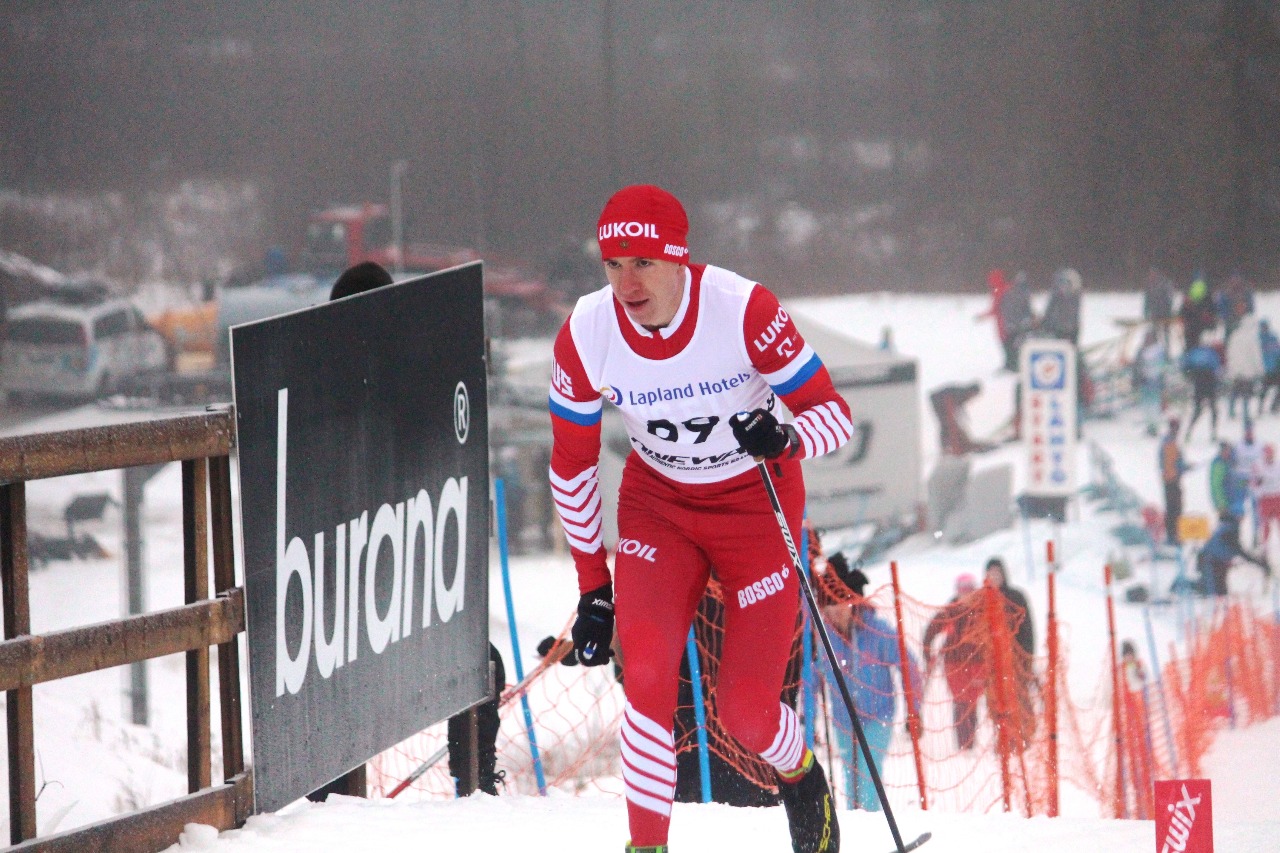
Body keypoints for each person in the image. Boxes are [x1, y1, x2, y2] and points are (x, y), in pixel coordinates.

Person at [548, 184, 854, 853]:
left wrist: (786, 437)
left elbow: (834, 415)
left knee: (745, 711)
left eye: (643, 263)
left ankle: (801, 776)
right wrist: (592, 587)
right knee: (648, 679)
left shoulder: (743, 309)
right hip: (661, 507)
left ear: (679, 261)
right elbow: (570, 465)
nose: (626, 282)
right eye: (612, 264)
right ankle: (647, 846)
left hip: (754, 506)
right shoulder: (587, 331)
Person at [818, 564, 922, 812]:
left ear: (852, 601)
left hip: (878, 716)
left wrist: (914, 708)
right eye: (828, 606)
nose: (834, 612)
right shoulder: (823, 635)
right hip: (844, 720)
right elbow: (811, 677)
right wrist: (805, 720)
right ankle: (856, 828)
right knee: (850, 778)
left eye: (839, 603)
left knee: (868, 776)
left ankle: (872, 826)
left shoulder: (877, 630)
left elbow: (909, 667)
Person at [921, 573, 986, 751]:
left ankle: (971, 741)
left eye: (969, 590)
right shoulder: (949, 611)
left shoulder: (982, 610)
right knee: (961, 701)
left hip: (978, 664)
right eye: (962, 590)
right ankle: (965, 744)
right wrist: (928, 656)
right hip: (954, 664)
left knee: (973, 700)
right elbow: (930, 633)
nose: (965, 595)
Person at [982, 558, 1036, 751]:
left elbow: (1027, 630)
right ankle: (1004, 740)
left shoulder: (1016, 597)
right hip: (994, 665)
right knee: (996, 703)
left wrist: (1027, 659)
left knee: (1019, 700)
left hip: (1016, 660)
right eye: (991, 573)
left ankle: (1024, 738)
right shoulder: (982, 600)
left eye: (997, 573)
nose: (994, 577)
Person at [1193, 514, 1270, 595]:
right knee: (1215, 592)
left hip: (1210, 561)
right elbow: (1239, 551)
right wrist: (1259, 563)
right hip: (1211, 563)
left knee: (1219, 591)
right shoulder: (1230, 530)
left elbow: (1237, 551)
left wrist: (1257, 562)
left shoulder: (1224, 528)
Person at [1225, 312, 1264, 421]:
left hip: (1236, 370)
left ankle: (1231, 411)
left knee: (1235, 390)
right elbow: (1256, 355)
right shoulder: (1252, 338)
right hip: (1248, 371)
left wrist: (1231, 368)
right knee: (1246, 393)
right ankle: (1245, 413)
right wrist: (1259, 369)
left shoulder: (1234, 335)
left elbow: (1229, 353)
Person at [1181, 343, 1222, 442]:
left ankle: (1190, 432)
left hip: (1200, 382)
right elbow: (1217, 366)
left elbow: (1185, 365)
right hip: (1208, 382)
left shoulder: (1195, 351)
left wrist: (1189, 376)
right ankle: (1212, 433)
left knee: (1200, 410)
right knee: (1211, 410)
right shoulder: (1209, 352)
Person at [998, 271, 1036, 372]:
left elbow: (1004, 308)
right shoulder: (1023, 293)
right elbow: (1026, 309)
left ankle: (1012, 364)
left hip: (1011, 324)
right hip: (1018, 324)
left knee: (1012, 345)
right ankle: (1016, 365)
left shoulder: (1009, 291)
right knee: (1019, 345)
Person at [1159, 418, 1188, 546]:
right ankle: (1173, 536)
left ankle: (1174, 535)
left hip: (1170, 479)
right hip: (1172, 481)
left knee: (1173, 508)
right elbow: (1171, 464)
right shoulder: (1169, 443)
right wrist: (1182, 468)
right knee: (1174, 509)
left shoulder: (1169, 441)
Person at [1041, 267, 1082, 346]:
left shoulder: (1057, 295)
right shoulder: (1076, 294)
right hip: (1072, 328)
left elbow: (1050, 311)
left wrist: (1045, 323)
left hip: (1060, 329)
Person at [1252, 444, 1280, 551]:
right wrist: (1258, 492)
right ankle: (1265, 547)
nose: (1269, 456)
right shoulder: (1258, 466)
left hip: (1277, 497)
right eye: (1267, 454)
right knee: (1266, 524)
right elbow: (1253, 483)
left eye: (1271, 454)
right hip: (1265, 498)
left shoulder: (1278, 465)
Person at [1180, 274, 1217, 349]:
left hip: (1195, 327)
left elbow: (1183, 312)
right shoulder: (1207, 297)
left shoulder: (1191, 297)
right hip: (1197, 326)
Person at [1142, 266, 1177, 348]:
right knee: (1155, 334)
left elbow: (1170, 298)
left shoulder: (1165, 283)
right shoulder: (1149, 285)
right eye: (1150, 274)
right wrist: (1146, 311)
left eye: (1153, 274)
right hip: (1154, 314)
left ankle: (1167, 351)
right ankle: (1156, 350)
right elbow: (1147, 300)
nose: (1151, 276)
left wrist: (1169, 310)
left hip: (1165, 313)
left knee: (1166, 334)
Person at [1257, 318, 1280, 414]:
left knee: (1268, 390)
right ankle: (1261, 407)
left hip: (1274, 369)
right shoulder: (1258, 339)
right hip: (1265, 370)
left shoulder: (1272, 337)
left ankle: (1273, 406)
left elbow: (1277, 353)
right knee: (1264, 390)